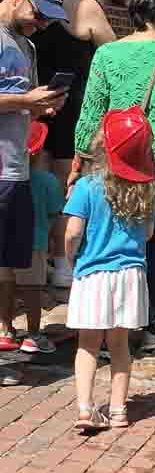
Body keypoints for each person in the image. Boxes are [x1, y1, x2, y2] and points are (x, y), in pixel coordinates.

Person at [70, 0, 155, 352]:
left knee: (110, 235)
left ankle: (103, 318)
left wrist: (79, 163)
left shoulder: (108, 55)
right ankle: (149, 325)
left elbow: (90, 115)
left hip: (114, 158)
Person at [34, 0, 130, 290]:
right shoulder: (87, 7)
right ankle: (62, 262)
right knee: (66, 189)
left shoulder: (46, 8)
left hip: (37, 106)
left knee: (41, 186)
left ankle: (39, 261)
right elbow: (119, 59)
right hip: (69, 109)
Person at [64, 110, 155, 430]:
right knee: (119, 346)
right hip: (130, 276)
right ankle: (119, 411)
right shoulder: (147, 190)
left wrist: (68, 258)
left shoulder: (87, 187)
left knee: (88, 344)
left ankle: (86, 409)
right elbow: (146, 235)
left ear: (101, 147)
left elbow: (73, 233)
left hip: (93, 274)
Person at [0, 0, 69, 380]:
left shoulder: (26, 45)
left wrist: (39, 106)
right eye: (36, 13)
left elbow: (22, 101)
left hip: (17, 170)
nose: (40, 24)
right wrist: (26, 99)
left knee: (10, 260)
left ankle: (7, 332)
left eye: (46, 19)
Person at [18, 121, 63, 355]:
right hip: (34, 242)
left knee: (5, 285)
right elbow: (55, 214)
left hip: (5, 240)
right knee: (32, 289)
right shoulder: (48, 181)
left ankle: (5, 329)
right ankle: (33, 334)